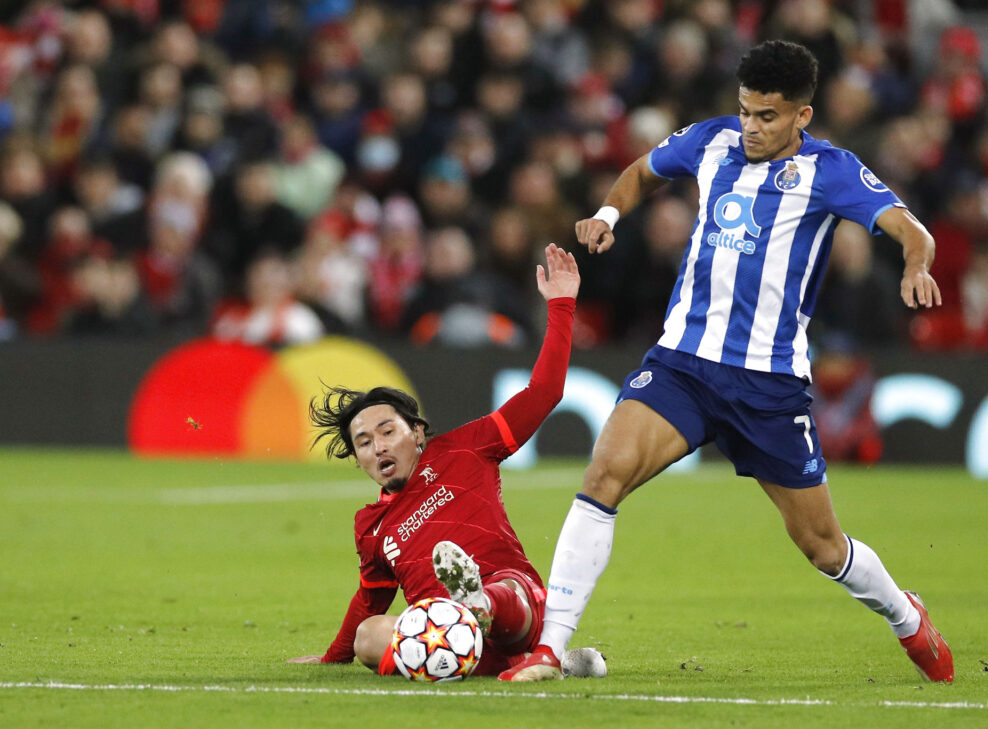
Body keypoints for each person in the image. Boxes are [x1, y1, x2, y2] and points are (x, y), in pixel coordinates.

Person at [499, 40, 953, 683]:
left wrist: (915, 265)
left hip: (768, 383)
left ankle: (906, 616)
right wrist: (608, 213)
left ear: (802, 116)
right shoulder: (709, 141)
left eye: (767, 116)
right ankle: (549, 647)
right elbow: (642, 171)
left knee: (822, 547)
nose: (750, 126)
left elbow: (913, 230)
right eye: (745, 111)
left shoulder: (832, 170)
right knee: (604, 474)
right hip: (683, 362)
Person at [288, 244, 605, 679]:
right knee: (369, 635)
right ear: (357, 457)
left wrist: (562, 306)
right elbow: (369, 600)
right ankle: (544, 661)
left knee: (504, 591)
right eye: (363, 442)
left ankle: (483, 609)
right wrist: (332, 657)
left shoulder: (466, 447)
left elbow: (543, 394)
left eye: (387, 431)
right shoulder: (372, 526)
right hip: (445, 634)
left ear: (416, 433)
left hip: (515, 603)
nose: (378, 447)